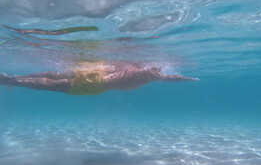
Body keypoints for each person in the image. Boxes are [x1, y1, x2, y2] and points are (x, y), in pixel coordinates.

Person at [0, 61, 199, 95]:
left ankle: (14, 78)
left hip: (100, 72)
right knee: (54, 85)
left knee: (56, 76)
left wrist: (184, 78)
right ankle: (11, 81)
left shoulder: (142, 69)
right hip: (99, 83)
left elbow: (170, 77)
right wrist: (187, 79)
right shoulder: (154, 74)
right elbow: (170, 78)